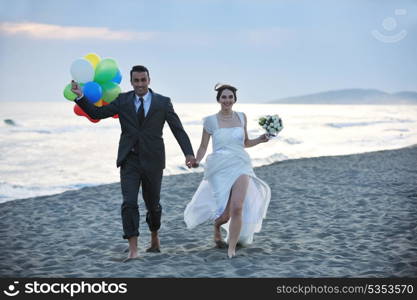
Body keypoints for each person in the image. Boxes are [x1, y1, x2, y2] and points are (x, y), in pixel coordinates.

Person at [71, 65, 196, 262]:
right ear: (131, 82)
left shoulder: (163, 102)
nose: (140, 84)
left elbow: (177, 129)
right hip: (129, 160)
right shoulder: (122, 100)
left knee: (153, 205)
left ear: (149, 80)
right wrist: (80, 97)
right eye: (136, 81)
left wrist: (188, 153)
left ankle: (155, 236)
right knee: (129, 203)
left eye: (143, 80)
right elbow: (97, 113)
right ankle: (133, 249)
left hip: (153, 161)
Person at [184, 83, 271, 258]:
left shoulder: (241, 117)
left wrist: (260, 140)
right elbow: (202, 147)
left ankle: (231, 248)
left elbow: (245, 143)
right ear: (218, 99)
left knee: (237, 207)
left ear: (234, 99)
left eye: (230, 97)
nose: (227, 100)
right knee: (225, 212)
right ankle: (217, 226)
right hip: (219, 168)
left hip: (241, 164)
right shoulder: (210, 121)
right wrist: (196, 160)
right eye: (224, 97)